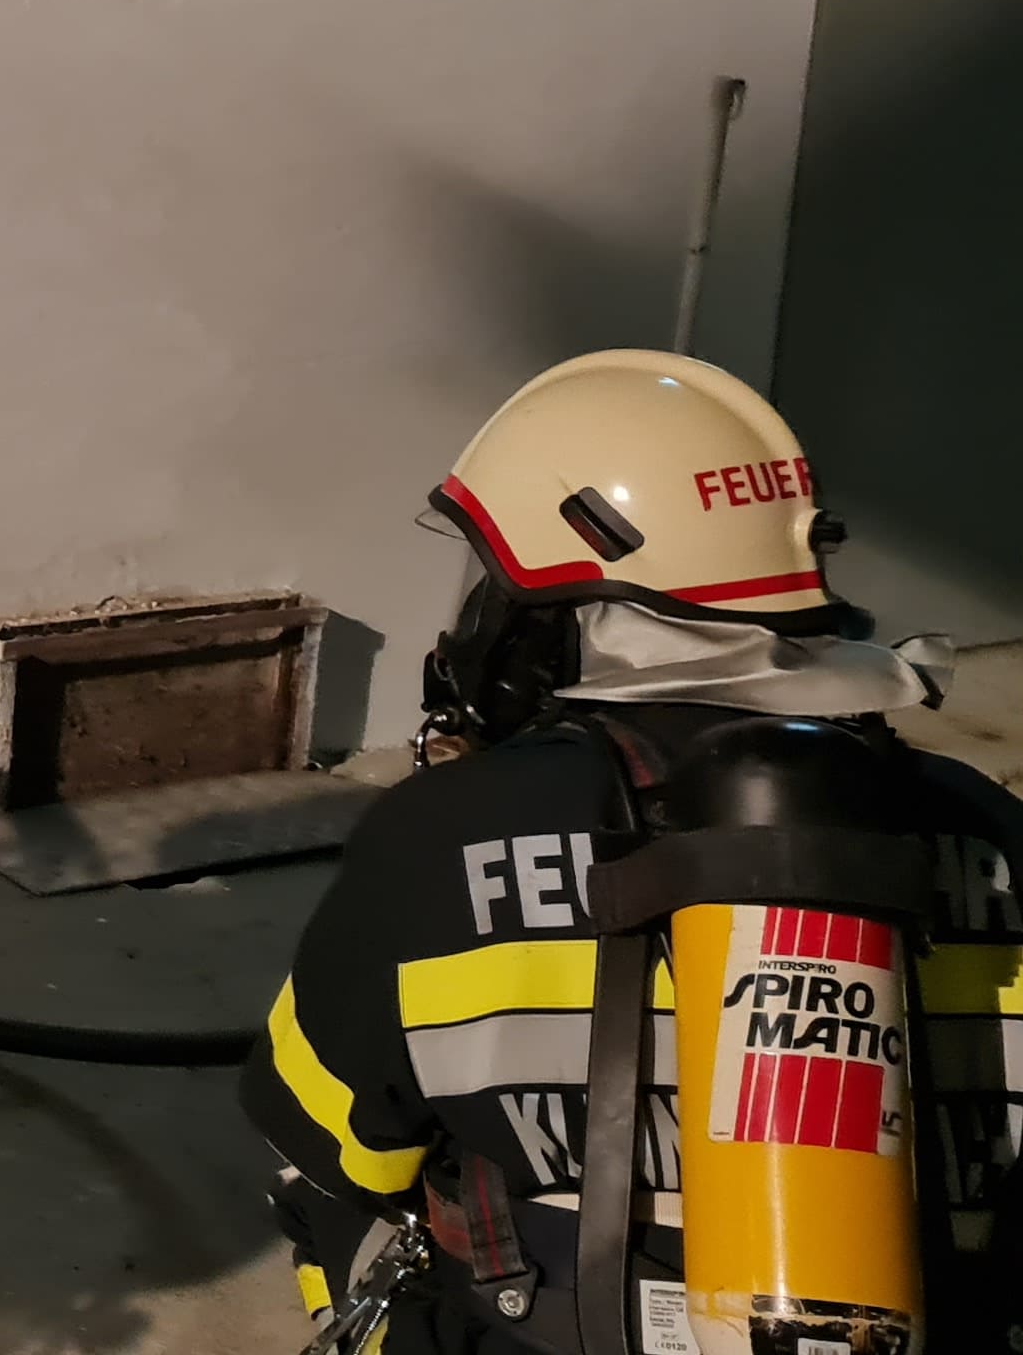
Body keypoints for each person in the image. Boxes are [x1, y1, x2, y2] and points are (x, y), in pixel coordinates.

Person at [242, 349, 1015, 1354]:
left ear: (556, 608)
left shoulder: (436, 838)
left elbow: (333, 1140)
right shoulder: (990, 832)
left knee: (326, 1203)